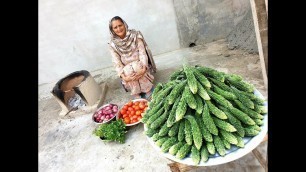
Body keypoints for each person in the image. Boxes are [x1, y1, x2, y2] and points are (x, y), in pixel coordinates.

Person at [108, 16, 157, 99]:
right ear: (112, 30)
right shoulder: (112, 44)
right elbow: (117, 62)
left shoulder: (135, 35)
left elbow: (142, 53)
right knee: (128, 71)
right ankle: (136, 92)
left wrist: (143, 69)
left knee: (137, 67)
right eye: (115, 27)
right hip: (127, 70)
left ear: (124, 24)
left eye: (120, 25)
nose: (118, 29)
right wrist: (124, 77)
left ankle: (147, 89)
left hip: (140, 65)